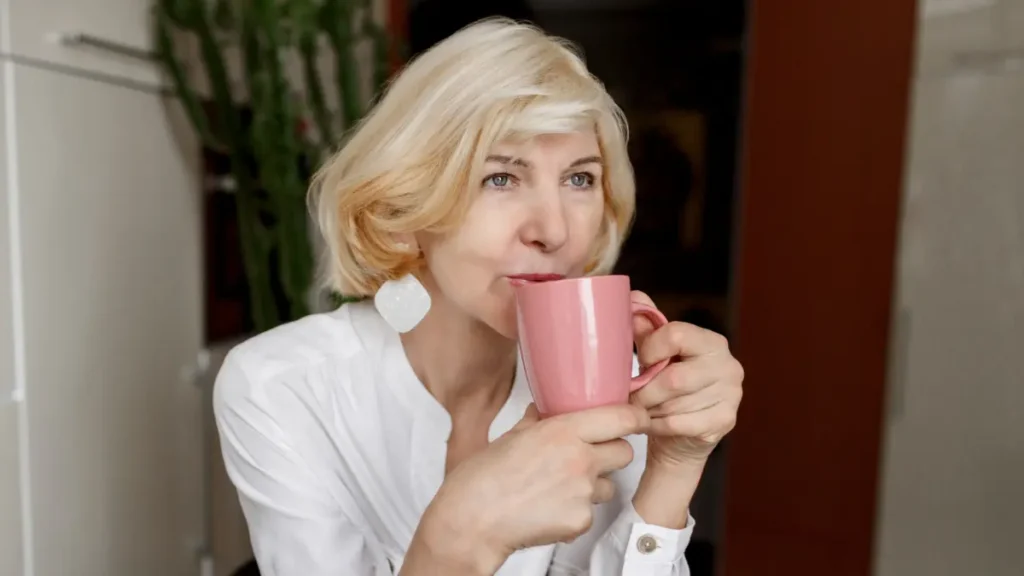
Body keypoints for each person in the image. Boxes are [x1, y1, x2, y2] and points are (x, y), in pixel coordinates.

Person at [214, 18, 744, 576]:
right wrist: (457, 538)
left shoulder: (618, 380)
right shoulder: (280, 387)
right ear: (402, 211)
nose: (554, 229)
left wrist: (675, 467)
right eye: (501, 178)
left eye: (580, 179)